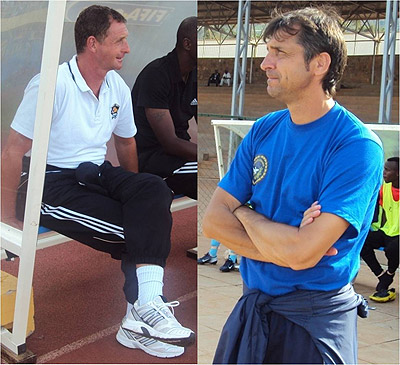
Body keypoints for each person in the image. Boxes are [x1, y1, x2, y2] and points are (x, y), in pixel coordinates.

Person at [1, 5, 194, 358]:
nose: (127, 48)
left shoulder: (116, 85)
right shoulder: (51, 83)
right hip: (47, 180)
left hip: (93, 173)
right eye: (120, 40)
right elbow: (13, 150)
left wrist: (136, 195)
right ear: (93, 43)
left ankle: (143, 310)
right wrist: (7, 217)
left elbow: (126, 142)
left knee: (153, 190)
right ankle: (141, 314)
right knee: (135, 230)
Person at [202, 7, 383, 364]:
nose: (266, 63)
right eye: (267, 50)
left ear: (319, 64)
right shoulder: (264, 129)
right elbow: (213, 223)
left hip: (313, 325)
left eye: (280, 53)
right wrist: (290, 249)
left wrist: (245, 213)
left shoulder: (355, 146)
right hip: (253, 309)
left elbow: (302, 252)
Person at [132, 17, 197, 200]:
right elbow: (170, 143)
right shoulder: (156, 75)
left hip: (180, 159)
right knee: (221, 178)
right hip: (155, 160)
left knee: (230, 174)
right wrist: (207, 156)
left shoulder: (194, 76)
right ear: (187, 44)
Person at [361, 157, 399, 303]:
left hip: (397, 237)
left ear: (398, 173)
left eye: (388, 170)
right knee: (362, 241)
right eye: (384, 169)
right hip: (388, 231)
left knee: (393, 249)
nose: (384, 173)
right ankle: (381, 275)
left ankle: (389, 274)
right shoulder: (385, 188)